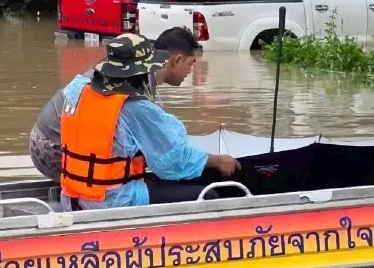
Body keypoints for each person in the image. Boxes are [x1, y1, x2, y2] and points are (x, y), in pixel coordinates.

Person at [59, 31, 240, 211]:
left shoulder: (78, 89)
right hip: (113, 199)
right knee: (208, 196)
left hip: (73, 195)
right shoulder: (134, 107)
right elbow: (175, 162)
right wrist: (217, 161)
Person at [29, 27, 191, 181]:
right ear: (177, 60)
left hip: (43, 138)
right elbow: (160, 146)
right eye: (191, 63)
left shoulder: (119, 72)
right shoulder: (136, 82)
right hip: (52, 148)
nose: (190, 71)